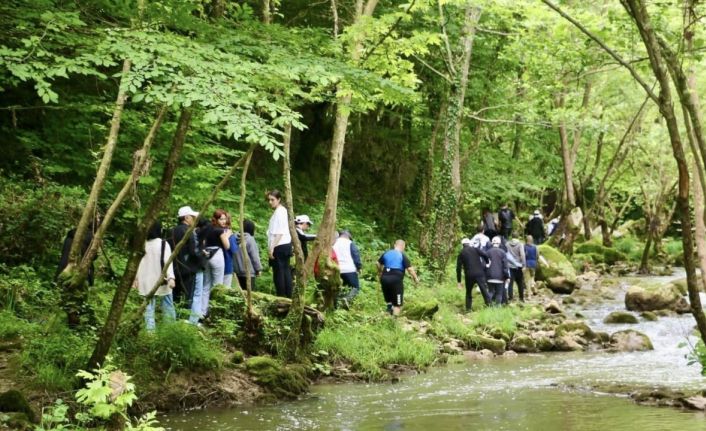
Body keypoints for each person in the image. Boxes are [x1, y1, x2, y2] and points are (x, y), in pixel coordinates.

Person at [134, 221, 176, 331]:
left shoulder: (142, 244)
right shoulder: (163, 244)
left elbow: (137, 264)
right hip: (162, 279)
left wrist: (136, 279)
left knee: (148, 307)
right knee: (167, 304)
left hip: (145, 280)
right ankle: (170, 330)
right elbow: (168, 262)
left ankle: (150, 333)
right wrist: (171, 277)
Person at [200, 209, 232, 316]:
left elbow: (203, 242)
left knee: (206, 285)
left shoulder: (207, 229)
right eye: (221, 219)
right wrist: (227, 236)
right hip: (217, 255)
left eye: (224, 219)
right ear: (216, 219)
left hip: (207, 255)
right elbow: (227, 246)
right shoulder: (220, 231)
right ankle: (214, 313)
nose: (223, 221)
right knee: (218, 285)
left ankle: (202, 312)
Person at [168, 206, 200, 305]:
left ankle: (173, 318)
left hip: (173, 269)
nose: (194, 220)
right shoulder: (188, 232)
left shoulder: (171, 231)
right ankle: (184, 319)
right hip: (187, 269)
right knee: (187, 297)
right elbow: (193, 252)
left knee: (174, 297)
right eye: (192, 217)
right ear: (186, 217)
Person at [377, 240, 419, 316]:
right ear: (403, 246)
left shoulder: (387, 253)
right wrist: (416, 278)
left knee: (389, 300)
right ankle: (394, 322)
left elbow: (378, 263)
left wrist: (380, 272)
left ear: (395, 245)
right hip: (396, 280)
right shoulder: (402, 255)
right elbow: (410, 269)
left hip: (384, 278)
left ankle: (388, 311)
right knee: (398, 304)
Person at [266, 190, 293, 297]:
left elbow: (279, 232)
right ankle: (287, 295)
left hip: (279, 245)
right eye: (269, 200)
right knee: (285, 270)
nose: (270, 202)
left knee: (279, 272)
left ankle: (282, 296)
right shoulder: (280, 211)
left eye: (272, 200)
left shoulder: (280, 211)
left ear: (279, 199)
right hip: (283, 244)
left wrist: (272, 247)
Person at [456, 238, 491, 312]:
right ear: (469, 243)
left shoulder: (461, 253)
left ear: (462, 245)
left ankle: (468, 309)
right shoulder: (475, 249)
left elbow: (458, 268)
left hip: (469, 275)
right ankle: (489, 305)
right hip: (479, 273)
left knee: (468, 292)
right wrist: (487, 262)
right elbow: (485, 255)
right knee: (484, 290)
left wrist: (459, 281)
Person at [333, 229, 362, 307]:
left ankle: (337, 306)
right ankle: (347, 299)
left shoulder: (334, 242)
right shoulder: (350, 243)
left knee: (339, 288)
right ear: (348, 236)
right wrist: (359, 267)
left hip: (336, 269)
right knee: (355, 287)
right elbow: (356, 256)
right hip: (349, 269)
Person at [234, 219, 262, 291]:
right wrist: (258, 269)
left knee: (240, 295)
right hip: (249, 272)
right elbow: (254, 256)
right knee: (250, 295)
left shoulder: (234, 238)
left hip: (237, 272)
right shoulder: (250, 239)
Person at [486, 236, 510, 305]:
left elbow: (484, 265)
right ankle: (497, 307)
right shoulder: (502, 253)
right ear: (499, 243)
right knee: (499, 294)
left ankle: (488, 305)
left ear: (492, 243)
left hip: (489, 277)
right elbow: (505, 266)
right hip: (500, 277)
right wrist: (507, 277)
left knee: (490, 292)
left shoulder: (488, 252)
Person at [506, 234, 527, 302]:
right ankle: (521, 298)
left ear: (512, 237)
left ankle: (510, 298)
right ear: (517, 237)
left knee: (510, 283)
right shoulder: (520, 244)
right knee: (520, 282)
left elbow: (506, 254)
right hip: (518, 266)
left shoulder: (507, 244)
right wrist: (524, 265)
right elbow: (523, 254)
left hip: (510, 266)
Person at [222, 212, 239, 289]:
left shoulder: (214, 231)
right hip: (227, 265)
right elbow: (234, 250)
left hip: (213, 264)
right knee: (225, 288)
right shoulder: (229, 234)